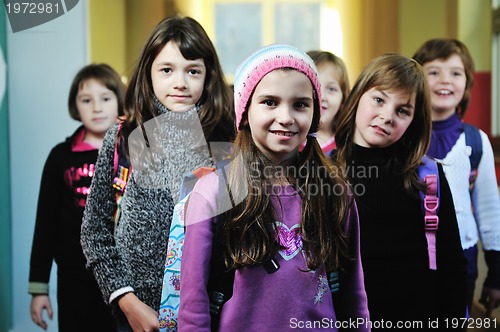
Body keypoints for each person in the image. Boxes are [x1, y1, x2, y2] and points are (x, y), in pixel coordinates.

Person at [178, 44, 370, 331]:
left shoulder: (336, 192)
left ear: (315, 113)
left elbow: (353, 296)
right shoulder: (213, 192)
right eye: (269, 102)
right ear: (245, 111)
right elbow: (193, 308)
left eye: (300, 104)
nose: (286, 117)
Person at [80, 15, 235, 332]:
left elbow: (237, 236)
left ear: (208, 77)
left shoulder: (228, 144)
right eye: (167, 70)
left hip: (208, 316)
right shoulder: (123, 137)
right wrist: (127, 303)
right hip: (134, 316)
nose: (180, 82)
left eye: (193, 71)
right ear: (148, 74)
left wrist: (219, 302)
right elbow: (94, 231)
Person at [334, 53, 467, 328]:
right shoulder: (324, 171)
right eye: (379, 99)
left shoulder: (428, 177)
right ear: (359, 95)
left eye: (402, 110)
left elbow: (452, 263)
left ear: (413, 121)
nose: (386, 116)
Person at [28, 63, 125, 331]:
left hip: (124, 278)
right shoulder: (61, 157)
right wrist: (39, 288)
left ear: (119, 100)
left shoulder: (130, 153)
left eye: (105, 98)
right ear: (75, 105)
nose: (96, 107)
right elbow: (45, 223)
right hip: (74, 278)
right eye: (86, 100)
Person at [413, 38, 500, 317]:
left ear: (467, 84)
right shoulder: (402, 135)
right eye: (434, 72)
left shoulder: (476, 141)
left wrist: (496, 275)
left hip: (463, 256)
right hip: (412, 256)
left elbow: (489, 210)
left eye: (455, 72)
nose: (444, 80)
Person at [306, 50, 350, 155]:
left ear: (343, 100)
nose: (322, 96)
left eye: (331, 89)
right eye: (314, 86)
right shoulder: (289, 142)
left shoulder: (345, 146)